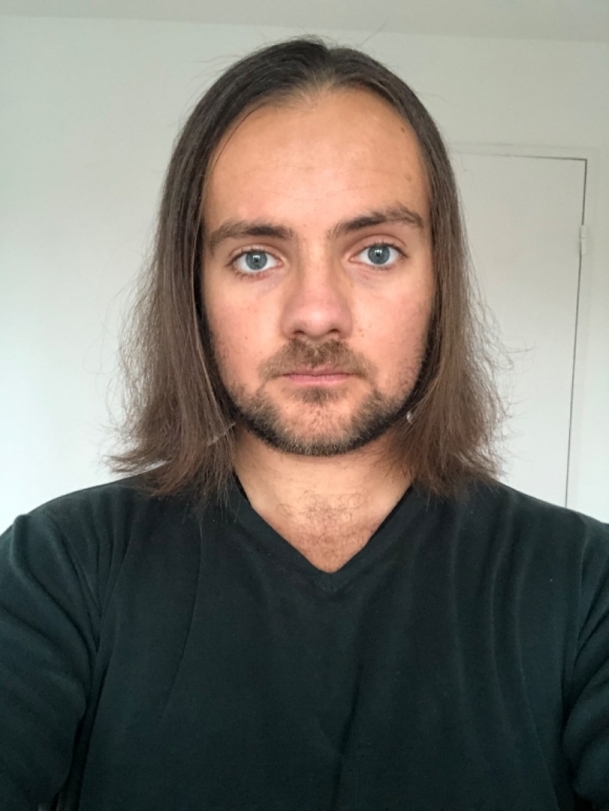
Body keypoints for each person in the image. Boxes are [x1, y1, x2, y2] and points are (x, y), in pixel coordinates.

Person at [0, 37, 607, 811]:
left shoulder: (585, 584)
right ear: (194, 290)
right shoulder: (58, 567)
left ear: (438, 280)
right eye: (256, 257)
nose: (316, 313)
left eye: (375, 251)